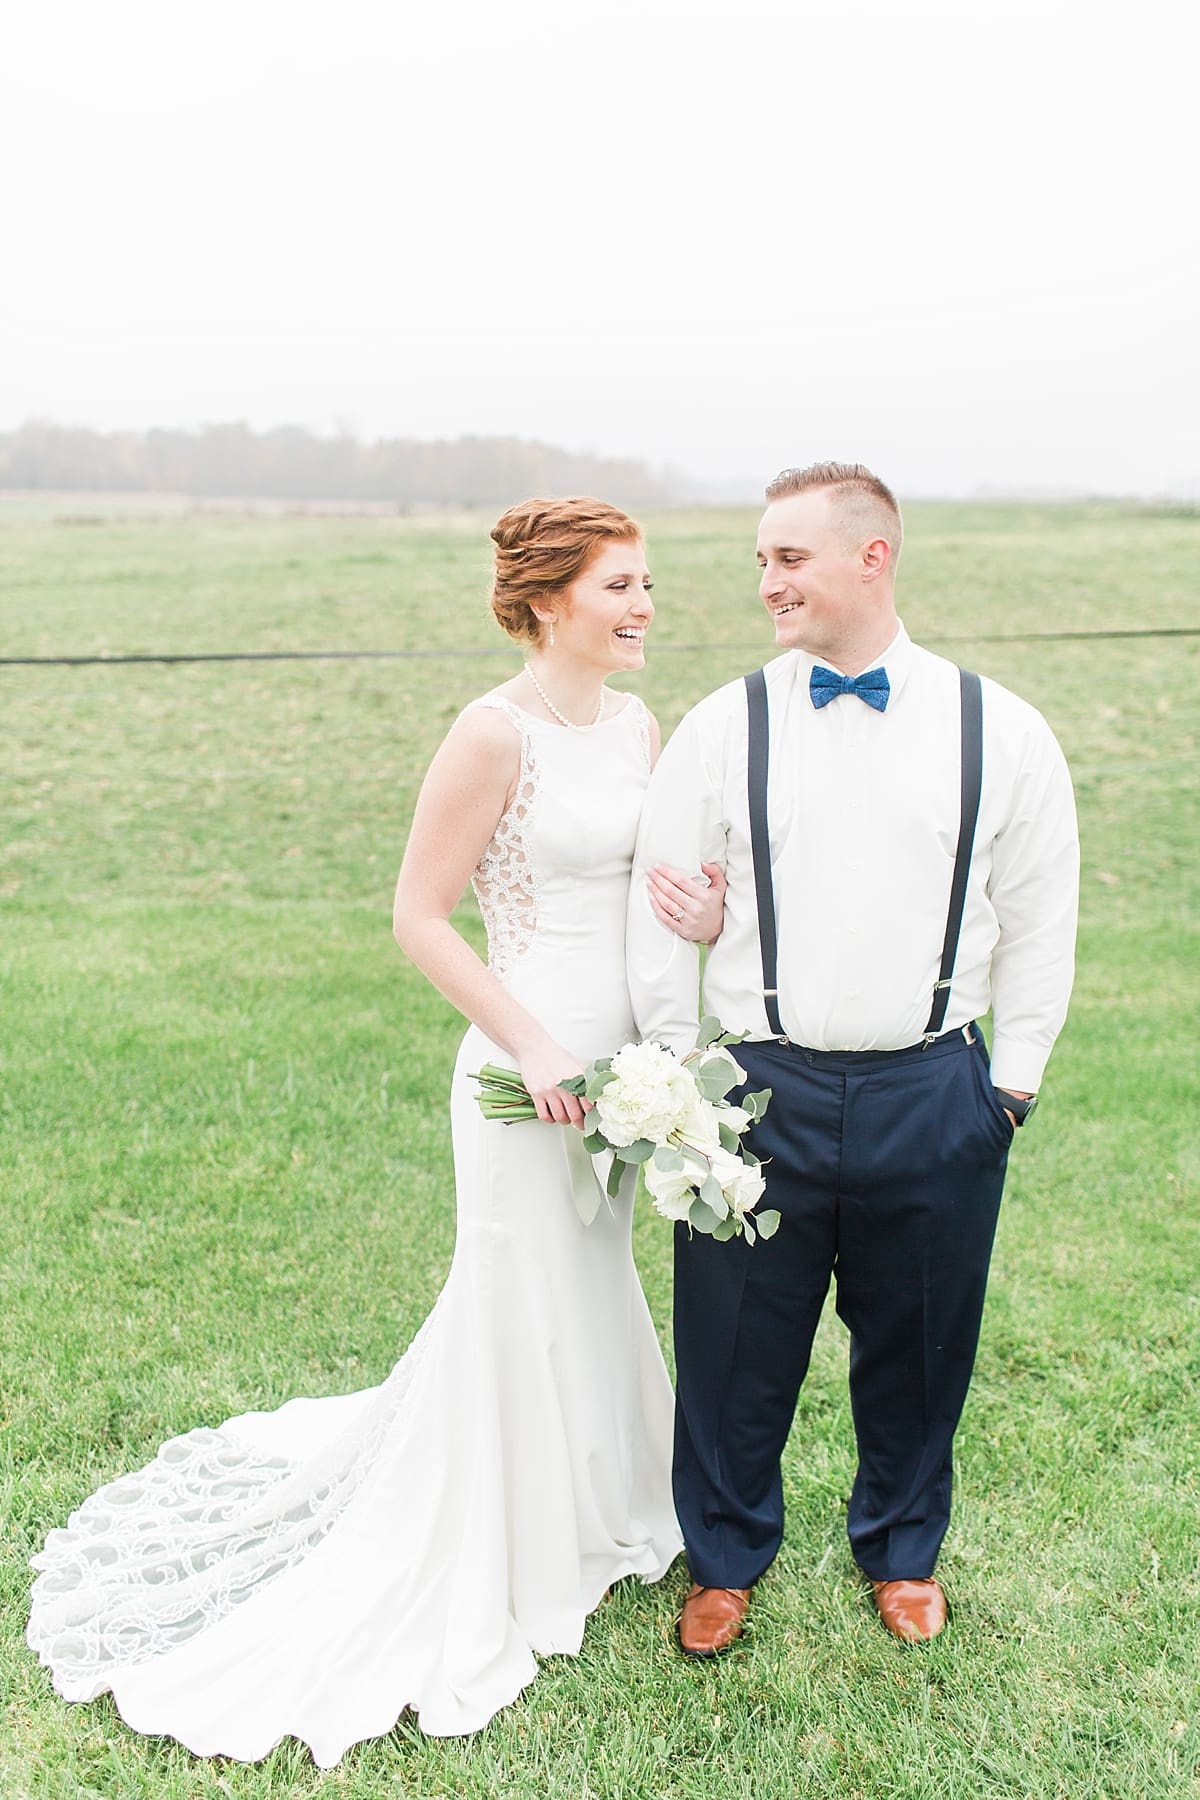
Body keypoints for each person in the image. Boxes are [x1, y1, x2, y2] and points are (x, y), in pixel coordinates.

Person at [26, 496, 723, 1766]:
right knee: (521, 1293)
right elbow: (417, 915)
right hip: (526, 1069)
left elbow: (647, 887)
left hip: (625, 1074)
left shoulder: (635, 725)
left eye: (647, 584)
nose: (644, 608)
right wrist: (535, 1045)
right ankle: (502, 1538)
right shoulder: (489, 732)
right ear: (548, 600)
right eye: (620, 586)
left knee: (593, 1281)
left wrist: (700, 915)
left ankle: (605, 1505)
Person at [628, 462, 1079, 1655]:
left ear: (871, 558)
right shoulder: (724, 725)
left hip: (934, 1087)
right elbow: (659, 900)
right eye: (761, 560)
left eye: (789, 558)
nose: (766, 580)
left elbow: (1040, 916)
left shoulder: (1003, 730)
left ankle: (902, 1549)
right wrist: (680, 1081)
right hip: (757, 1087)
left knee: (923, 1339)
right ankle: (725, 1557)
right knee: (734, 1343)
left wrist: (1012, 1085)